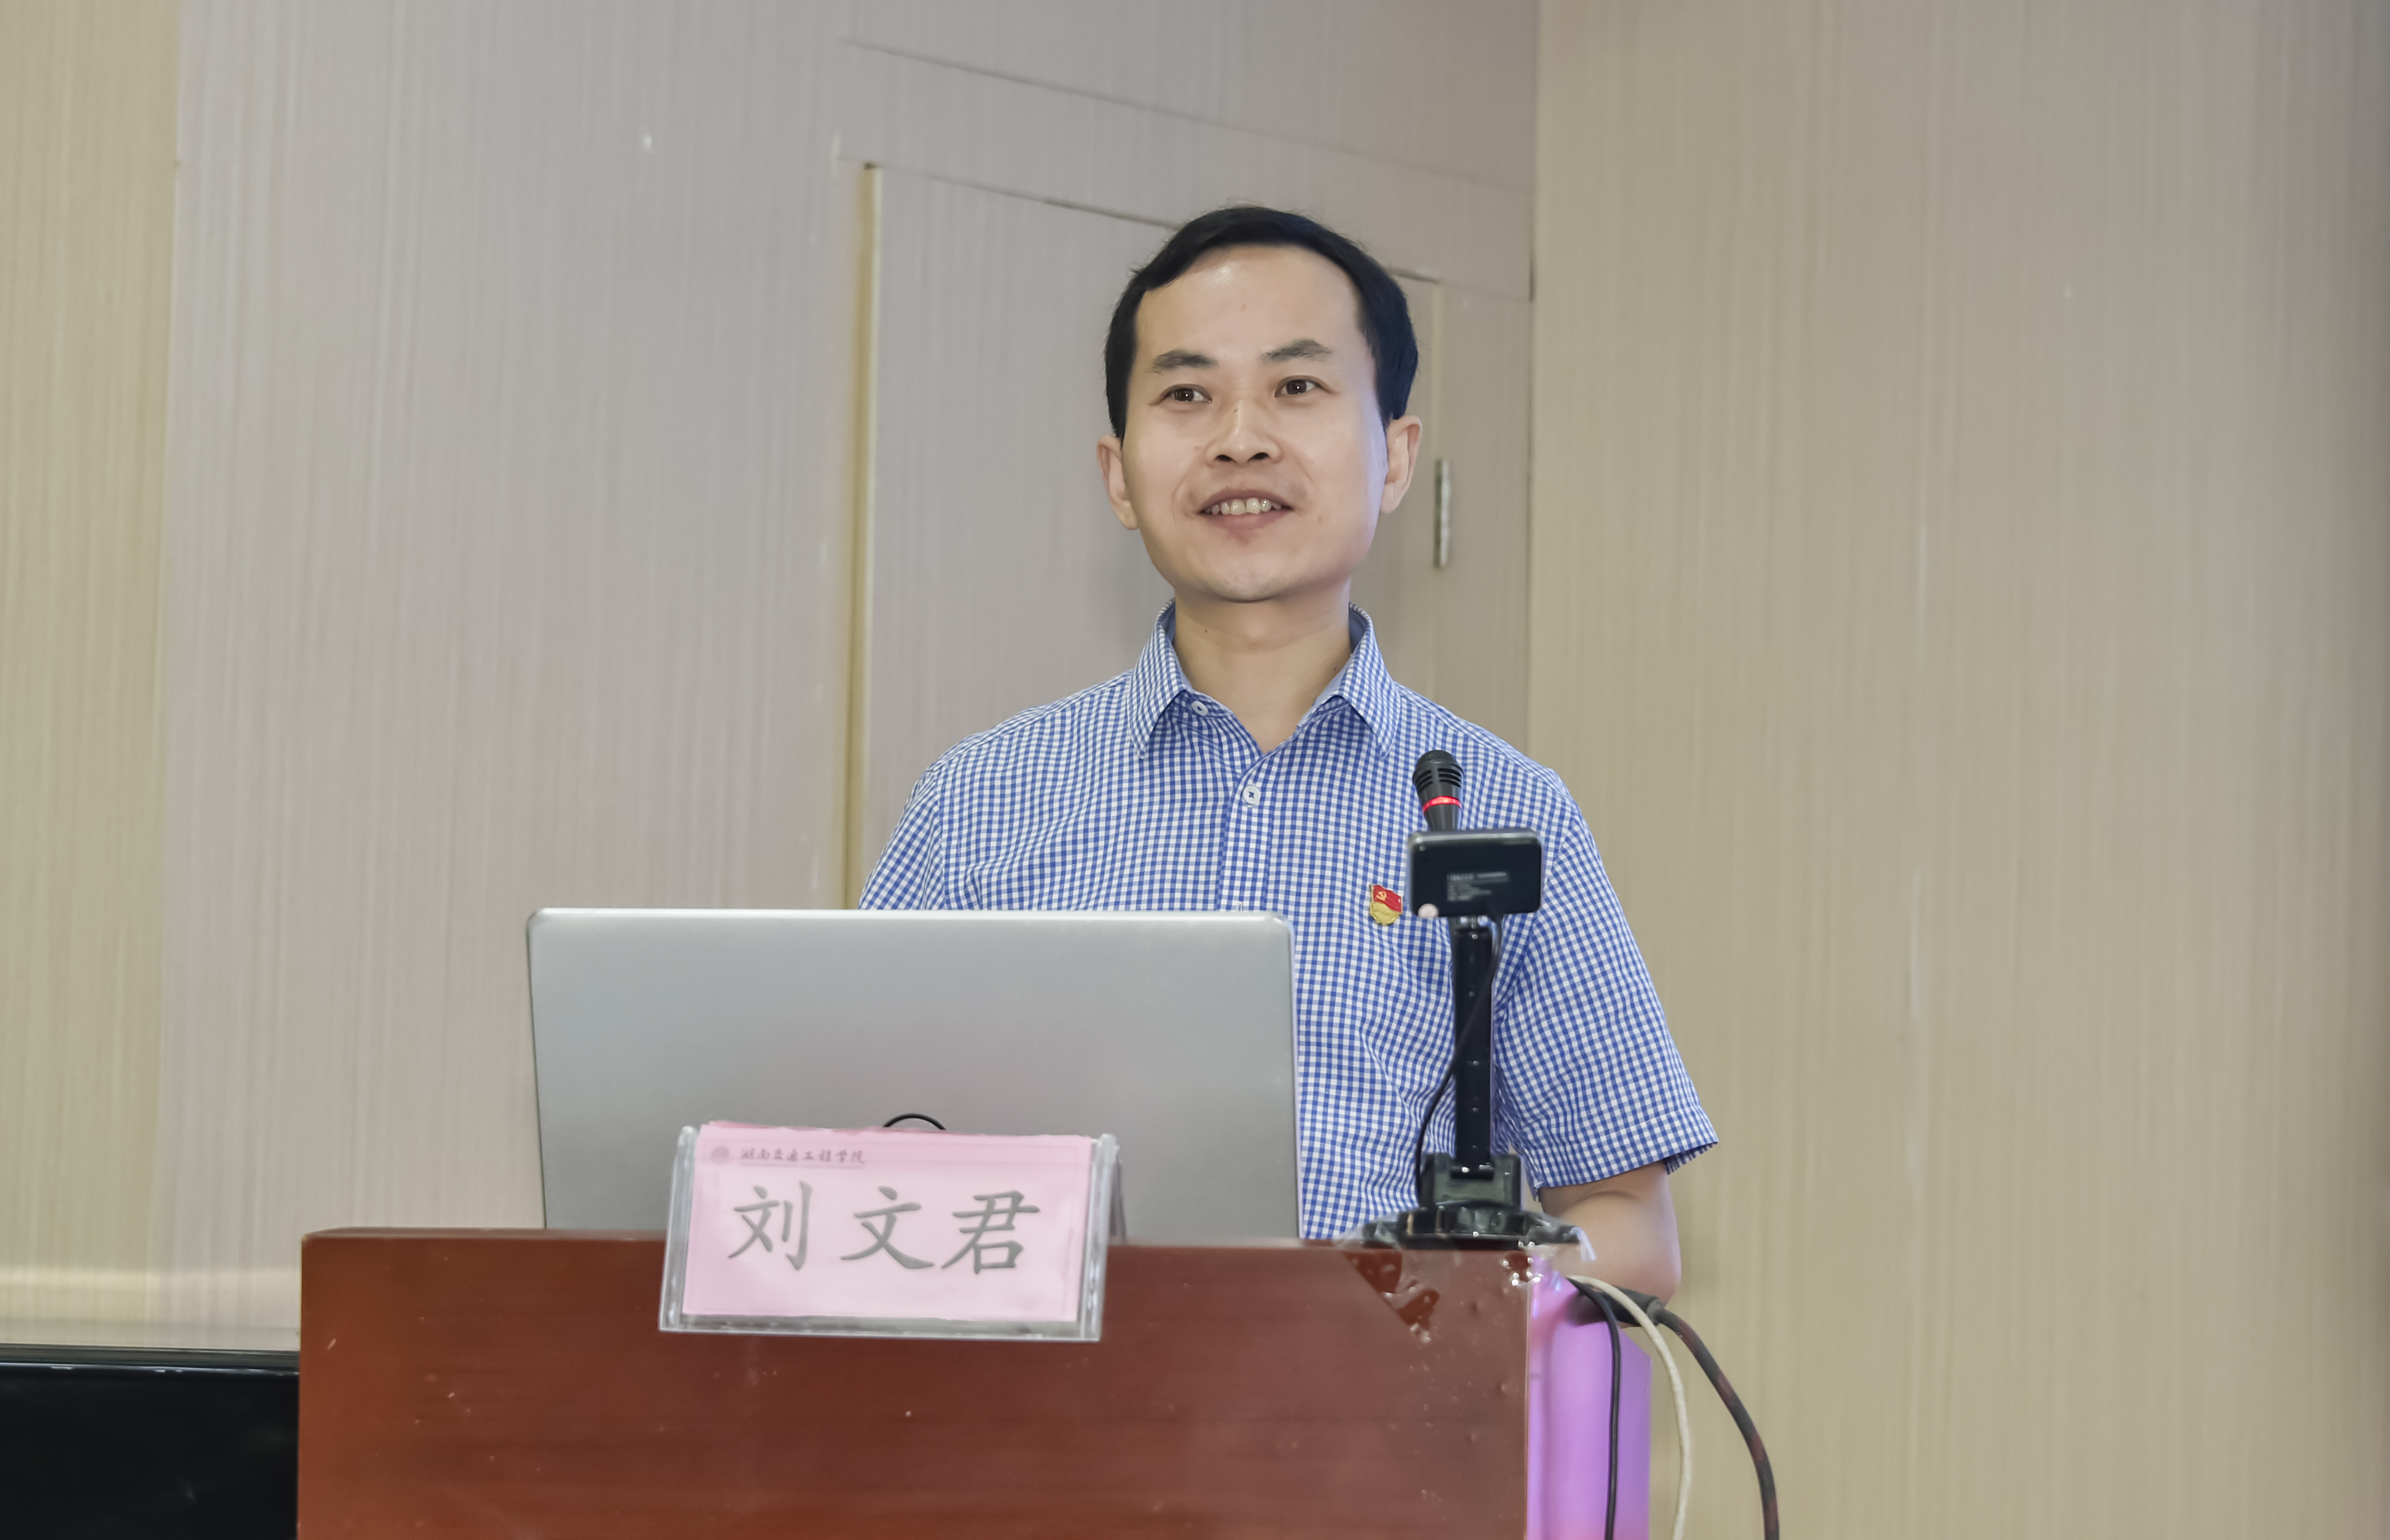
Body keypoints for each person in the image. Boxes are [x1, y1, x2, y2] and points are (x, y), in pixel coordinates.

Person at [860, 206, 1712, 1298]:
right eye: (1187, 394)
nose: (1240, 439)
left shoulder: (1507, 810)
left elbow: (1629, 1223)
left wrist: (1471, 1292)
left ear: (1396, 457)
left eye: (1297, 386)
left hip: (1380, 1397)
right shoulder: (981, 801)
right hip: (1044, 1399)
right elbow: (856, 1164)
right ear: (1118, 476)